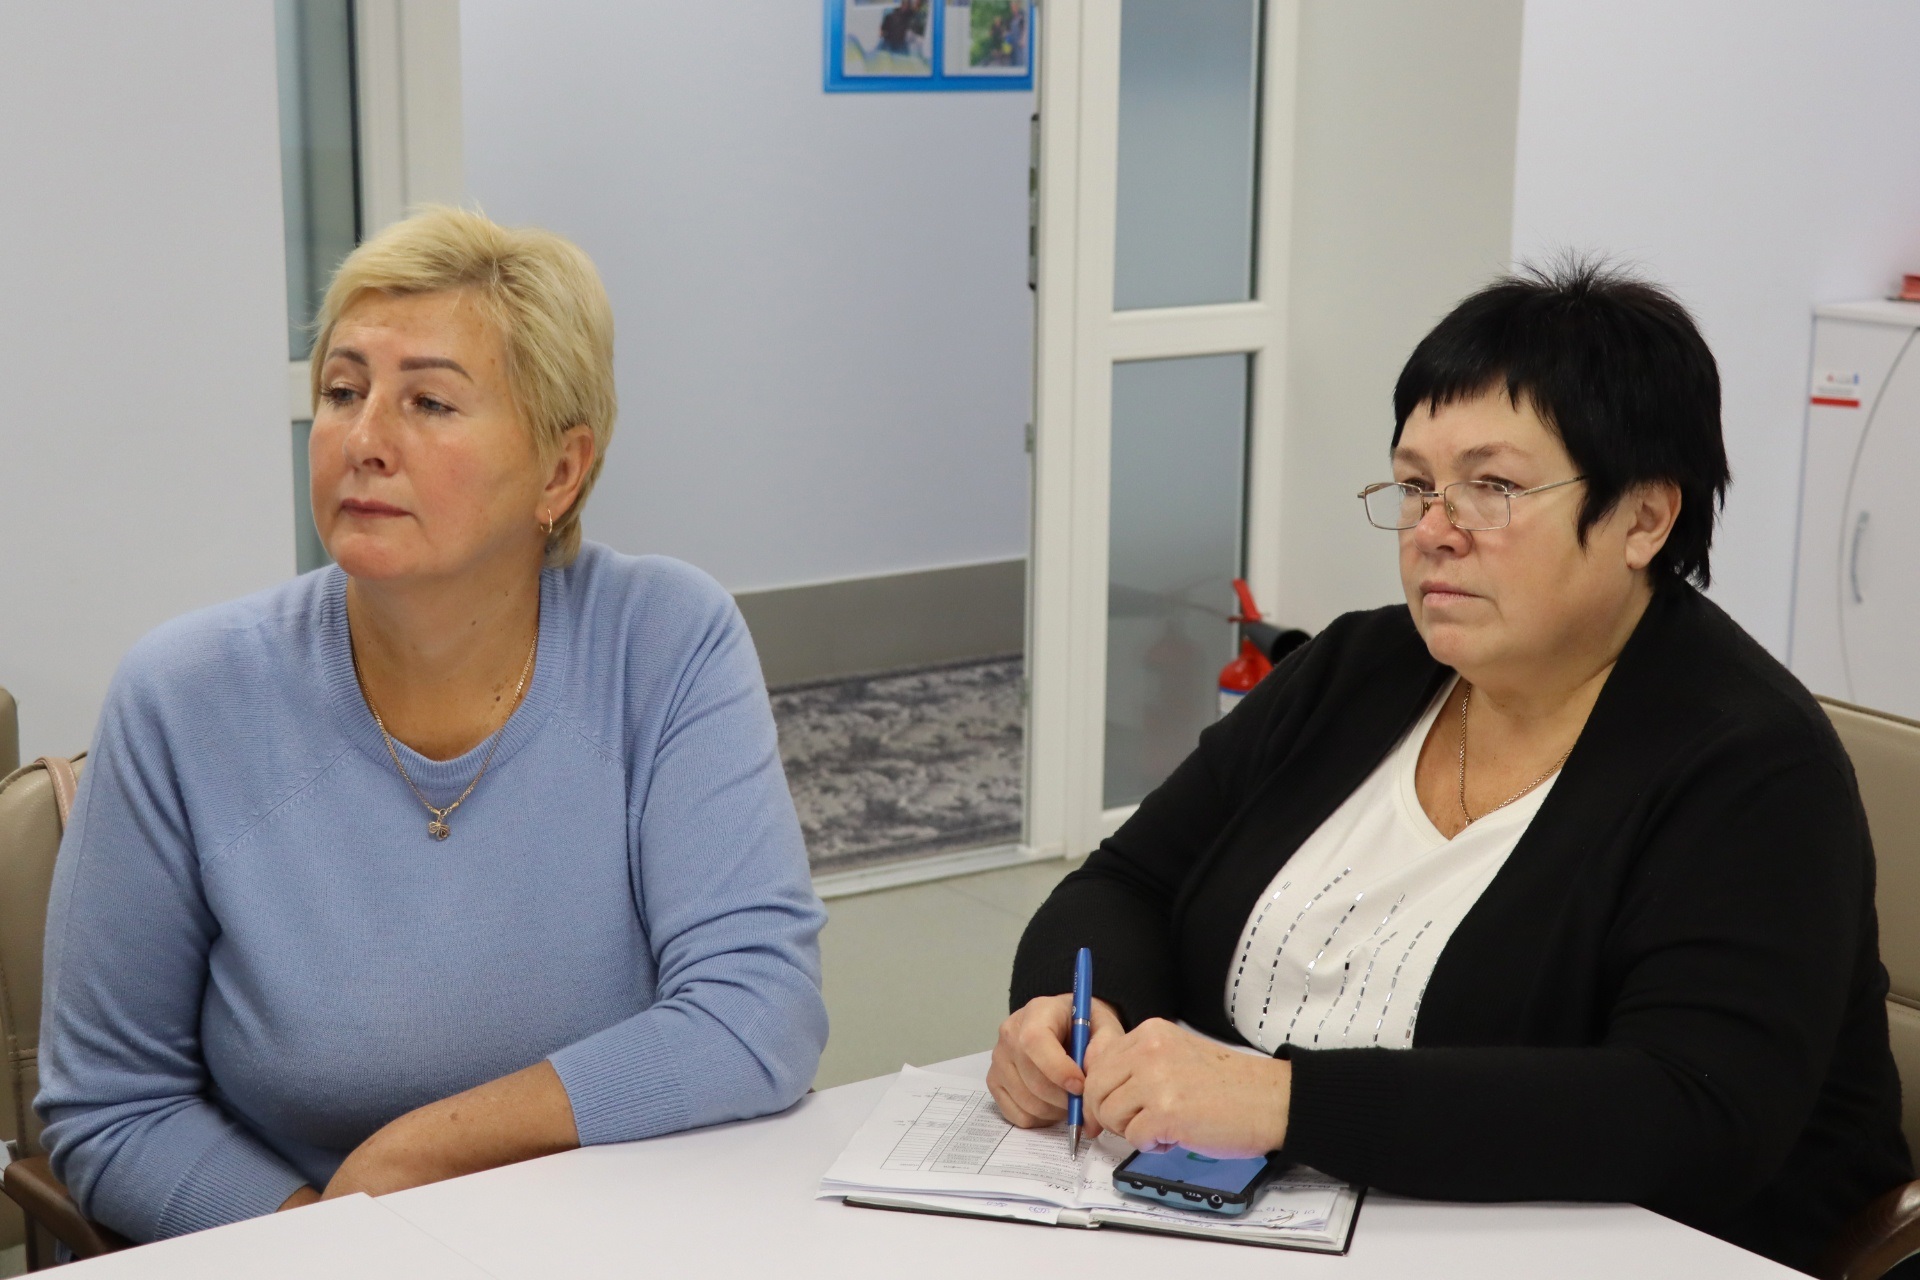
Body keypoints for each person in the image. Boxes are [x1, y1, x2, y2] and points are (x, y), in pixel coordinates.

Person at [990, 262, 1911, 1272]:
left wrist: (1286, 1103)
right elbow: (1126, 881)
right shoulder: (1356, 668)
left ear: (1644, 518)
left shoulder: (1754, 766)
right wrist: (1076, 1019)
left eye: (1493, 488)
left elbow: (1691, 1112)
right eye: (1417, 486)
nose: (1434, 530)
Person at [37, 207, 829, 1242]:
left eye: (429, 402)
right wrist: (332, 1240)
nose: (364, 442)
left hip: (617, 1231)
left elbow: (758, 1007)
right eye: (342, 391)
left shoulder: (665, 638)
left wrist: (424, 1153)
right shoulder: (182, 695)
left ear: (559, 471)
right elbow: (113, 1107)